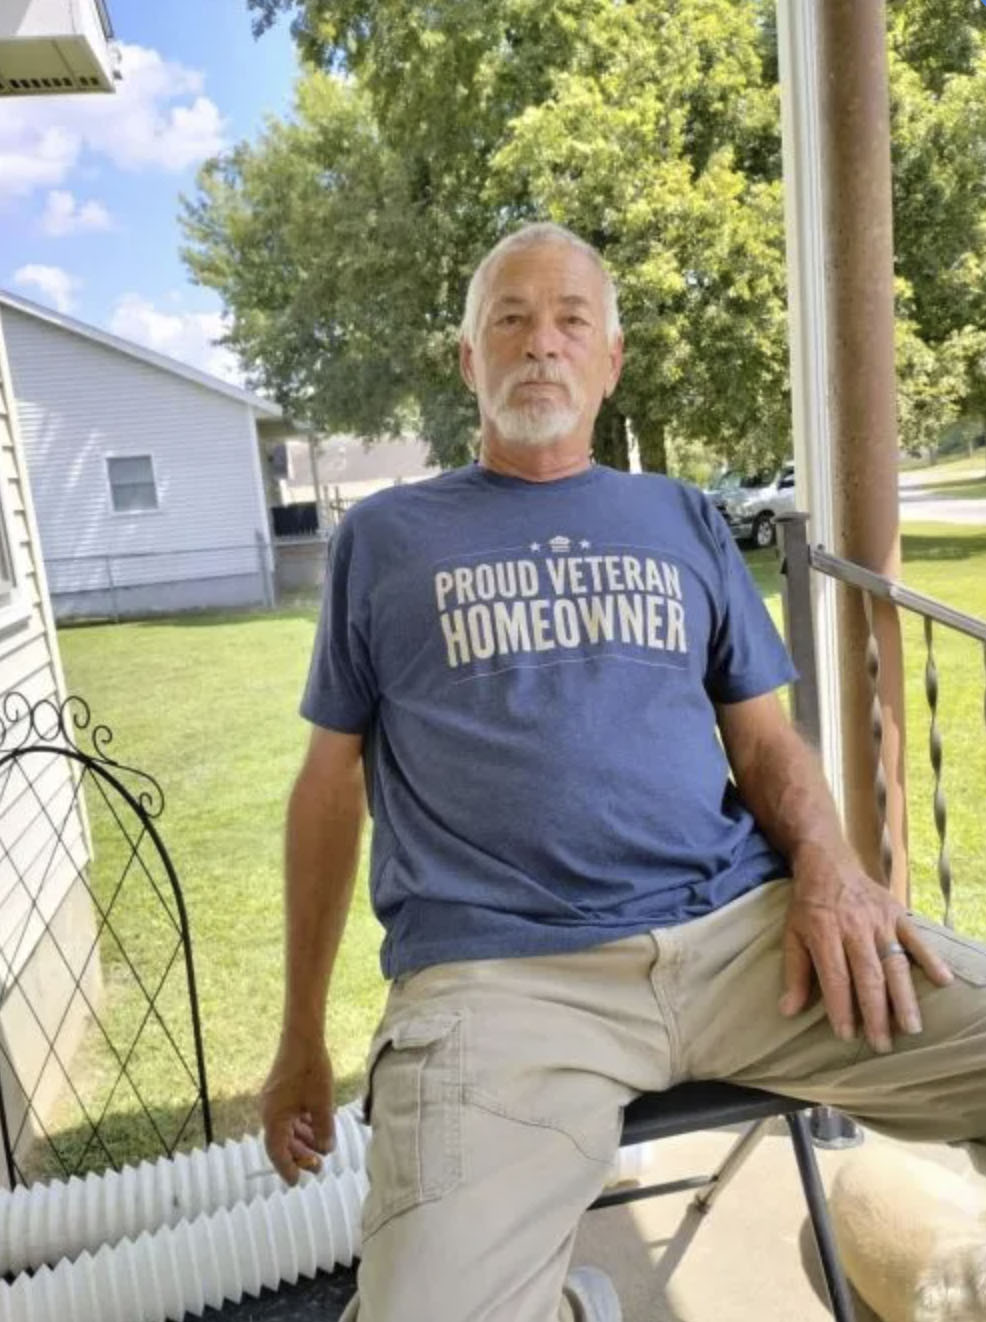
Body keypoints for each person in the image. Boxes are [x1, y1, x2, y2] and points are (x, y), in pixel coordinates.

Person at [260, 222, 986, 1322]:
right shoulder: (389, 537)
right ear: (468, 360)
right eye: (508, 320)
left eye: (569, 322)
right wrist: (299, 1034)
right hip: (501, 981)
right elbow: (327, 787)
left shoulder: (682, 517)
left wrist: (831, 867)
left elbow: (764, 739)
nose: (538, 345)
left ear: (610, 359)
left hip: (745, 939)